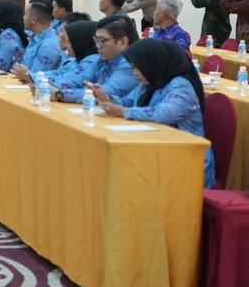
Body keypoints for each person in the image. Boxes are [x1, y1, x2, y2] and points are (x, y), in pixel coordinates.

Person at [92, 39, 215, 188]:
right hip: (157, 152)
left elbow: (162, 114)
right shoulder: (151, 82)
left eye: (137, 68)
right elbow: (128, 102)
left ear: (151, 64)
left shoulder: (181, 87)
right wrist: (107, 99)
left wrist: (124, 112)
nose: (134, 73)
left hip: (187, 160)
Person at [52, 15, 141, 105]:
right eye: (96, 40)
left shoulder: (130, 66)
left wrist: (59, 94)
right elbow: (76, 82)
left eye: (102, 41)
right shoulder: (102, 61)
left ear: (122, 42)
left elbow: (104, 94)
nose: (97, 45)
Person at [18, 18, 95, 88]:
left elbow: (66, 82)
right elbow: (57, 74)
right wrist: (30, 75)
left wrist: (31, 76)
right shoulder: (75, 59)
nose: (60, 36)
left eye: (69, 41)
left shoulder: (90, 62)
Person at [11, 0, 61, 78]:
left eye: (25, 14)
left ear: (33, 20)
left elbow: (34, 78)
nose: (23, 17)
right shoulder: (35, 38)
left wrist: (23, 74)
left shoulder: (49, 46)